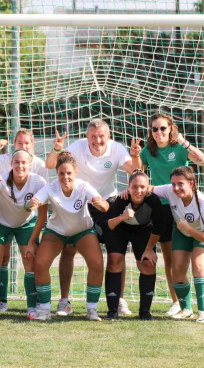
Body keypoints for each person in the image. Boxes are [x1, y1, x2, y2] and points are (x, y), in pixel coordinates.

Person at [45, 119, 141, 316]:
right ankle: (64, 301)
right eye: (93, 136)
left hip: (107, 204)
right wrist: (56, 149)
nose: (97, 140)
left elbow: (136, 172)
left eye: (101, 136)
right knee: (69, 247)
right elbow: (50, 165)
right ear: (87, 137)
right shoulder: (77, 147)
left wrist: (135, 157)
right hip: (81, 203)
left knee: (116, 251)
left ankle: (119, 300)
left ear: (109, 136)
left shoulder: (116, 148)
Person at [139, 113, 204, 317]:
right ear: (150, 132)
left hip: (184, 208)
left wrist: (185, 143)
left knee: (190, 259)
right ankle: (177, 302)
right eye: (155, 129)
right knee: (170, 259)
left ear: (171, 129)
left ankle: (203, 298)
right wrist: (136, 157)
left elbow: (203, 161)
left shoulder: (179, 148)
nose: (159, 132)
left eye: (163, 128)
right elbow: (138, 176)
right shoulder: (147, 151)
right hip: (160, 208)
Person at [26, 151, 109, 321]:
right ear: (57, 174)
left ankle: (92, 310)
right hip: (56, 232)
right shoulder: (50, 188)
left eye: (69, 173)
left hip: (82, 231)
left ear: (75, 173)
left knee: (97, 263)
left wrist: (102, 204)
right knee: (40, 264)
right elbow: (32, 203)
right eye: (61, 173)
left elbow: (104, 205)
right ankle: (44, 310)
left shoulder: (83, 186)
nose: (65, 177)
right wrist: (31, 204)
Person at [0, 128, 48, 313]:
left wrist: (33, 240)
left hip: (26, 223)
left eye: (24, 162)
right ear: (11, 163)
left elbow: (42, 214)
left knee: (30, 260)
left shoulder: (39, 181)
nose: (20, 166)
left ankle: (32, 308)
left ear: (30, 163)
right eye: (16, 162)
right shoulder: (2, 179)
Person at [152, 167, 204, 323]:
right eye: (173, 184)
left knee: (198, 265)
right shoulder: (169, 191)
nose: (176, 188)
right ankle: (186, 309)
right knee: (178, 268)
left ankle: (203, 311)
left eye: (180, 184)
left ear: (191, 184)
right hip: (182, 232)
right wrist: (132, 189)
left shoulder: (201, 202)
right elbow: (148, 188)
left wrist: (188, 228)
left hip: (201, 234)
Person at [103, 170, 163, 320]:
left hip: (143, 231)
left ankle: (144, 312)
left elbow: (159, 227)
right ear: (128, 187)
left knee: (148, 263)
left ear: (148, 187)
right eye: (135, 186)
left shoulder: (154, 201)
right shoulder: (120, 200)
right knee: (114, 261)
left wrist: (149, 249)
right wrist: (122, 217)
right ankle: (112, 311)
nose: (138, 190)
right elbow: (107, 225)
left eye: (142, 186)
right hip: (119, 229)